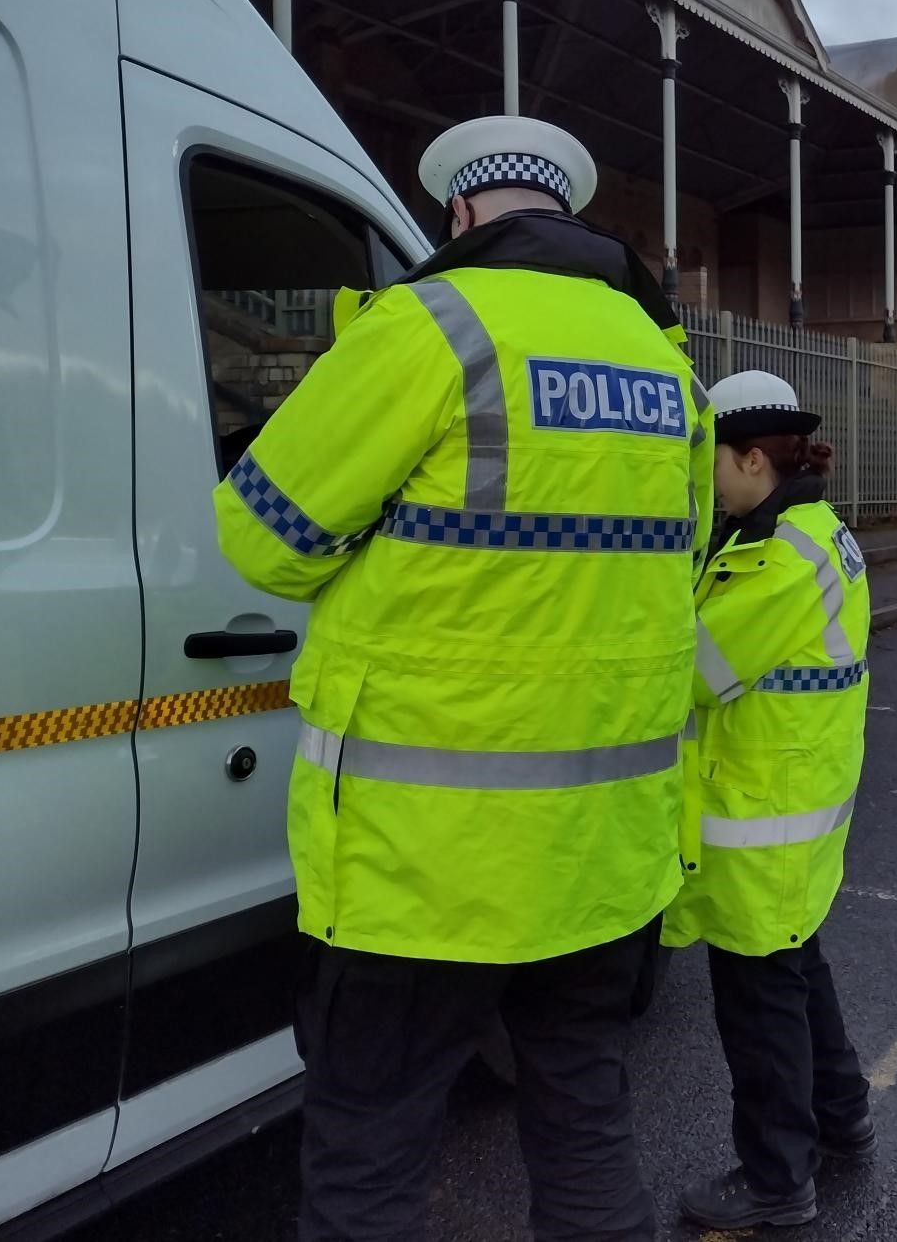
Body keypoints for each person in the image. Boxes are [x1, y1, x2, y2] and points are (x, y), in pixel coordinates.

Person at [214, 114, 713, 1242]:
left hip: (417, 866)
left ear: (458, 213)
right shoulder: (662, 360)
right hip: (596, 857)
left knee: (371, 1154)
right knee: (584, 1134)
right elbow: (674, 568)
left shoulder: (426, 325)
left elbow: (265, 539)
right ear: (566, 214)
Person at [666, 370, 874, 1231]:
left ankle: (776, 1181)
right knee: (796, 969)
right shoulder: (800, 532)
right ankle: (843, 1112)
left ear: (753, 459)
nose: (703, 478)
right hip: (790, 799)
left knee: (758, 1004)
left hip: (763, 813)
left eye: (711, 459)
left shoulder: (781, 557)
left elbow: (698, 672)